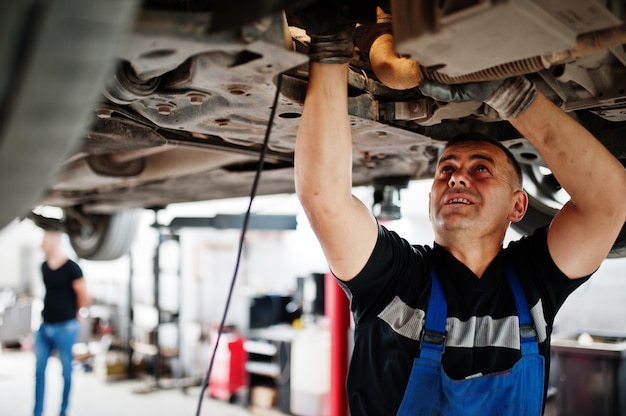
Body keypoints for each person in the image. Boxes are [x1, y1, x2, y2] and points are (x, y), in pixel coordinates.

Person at [292, 3, 626, 415]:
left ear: (518, 205)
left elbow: (610, 204)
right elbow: (325, 199)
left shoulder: (532, 281)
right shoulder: (394, 278)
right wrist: (330, 45)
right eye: (446, 168)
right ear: (431, 198)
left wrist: (513, 96)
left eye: (480, 168)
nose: (457, 177)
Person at [34, 230, 90, 416]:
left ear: (53, 242)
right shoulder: (44, 266)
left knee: (66, 372)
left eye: (44, 240)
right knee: (39, 372)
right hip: (45, 326)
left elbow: (84, 295)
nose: (41, 244)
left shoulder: (72, 268)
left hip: (66, 326)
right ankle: (37, 412)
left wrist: (78, 312)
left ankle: (63, 411)